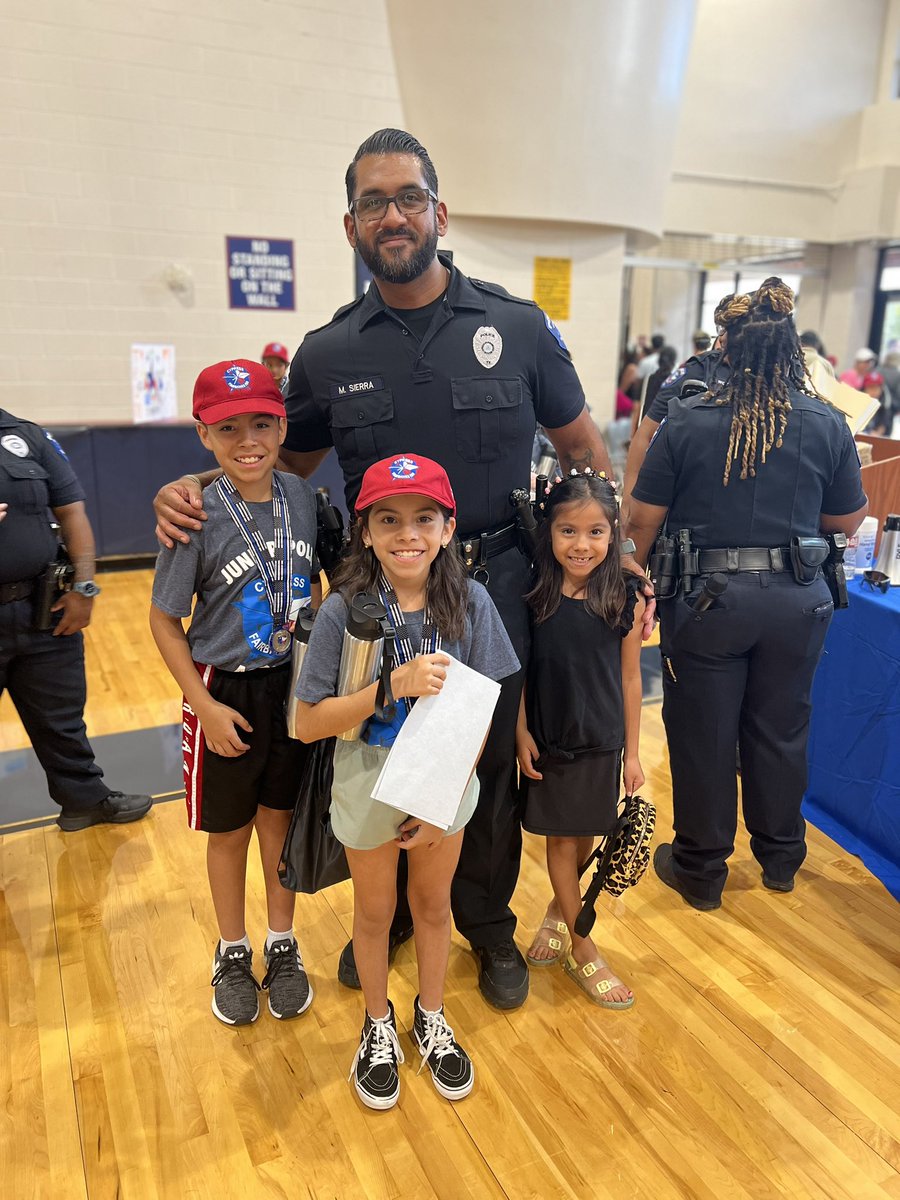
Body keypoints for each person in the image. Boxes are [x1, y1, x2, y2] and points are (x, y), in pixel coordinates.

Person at [153, 127, 620, 1012]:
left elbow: (584, 448)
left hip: (494, 593)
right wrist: (194, 488)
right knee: (379, 751)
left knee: (476, 767)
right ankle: (393, 914)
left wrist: (612, 570)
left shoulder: (516, 328)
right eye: (374, 202)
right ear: (351, 225)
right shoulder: (328, 354)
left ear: (439, 212)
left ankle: (481, 921)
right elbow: (272, 466)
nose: (393, 215)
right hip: (373, 597)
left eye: (409, 197)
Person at [625, 279, 867, 909]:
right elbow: (846, 522)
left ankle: (702, 870)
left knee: (704, 732)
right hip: (798, 600)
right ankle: (781, 857)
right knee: (781, 727)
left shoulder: (687, 420)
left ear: (725, 348)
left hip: (708, 603)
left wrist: (636, 584)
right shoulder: (827, 424)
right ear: (793, 351)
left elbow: (641, 520)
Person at [294, 453, 519, 1109]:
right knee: (373, 913)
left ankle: (431, 1015)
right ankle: (377, 1022)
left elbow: (483, 708)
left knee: (431, 907)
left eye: (424, 518)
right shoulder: (342, 612)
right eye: (388, 519)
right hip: (368, 778)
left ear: (448, 527)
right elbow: (308, 724)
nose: (407, 534)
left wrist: (444, 789)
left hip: (444, 782)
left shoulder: (470, 602)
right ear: (365, 531)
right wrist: (386, 688)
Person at [149, 360, 318, 1027]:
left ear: (282, 426)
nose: (248, 439)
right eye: (229, 428)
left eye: (262, 423)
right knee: (231, 831)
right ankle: (231, 949)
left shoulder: (304, 497)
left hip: (292, 687)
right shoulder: (194, 513)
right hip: (223, 690)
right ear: (204, 435)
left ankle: (281, 943)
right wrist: (204, 705)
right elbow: (164, 621)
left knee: (281, 819)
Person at [516, 471, 643, 1009]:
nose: (581, 544)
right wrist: (520, 728)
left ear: (613, 534)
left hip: (602, 739)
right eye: (568, 531)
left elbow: (632, 676)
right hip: (551, 737)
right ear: (549, 532)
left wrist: (633, 753)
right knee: (561, 841)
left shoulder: (625, 595)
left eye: (595, 532)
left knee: (585, 835)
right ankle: (584, 945)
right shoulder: (535, 592)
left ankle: (556, 913)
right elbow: (518, 670)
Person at [0, 410, 152, 830]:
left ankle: (83, 799)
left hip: (41, 610)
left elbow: (71, 512)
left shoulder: (25, 435)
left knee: (63, 717)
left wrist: (84, 588)